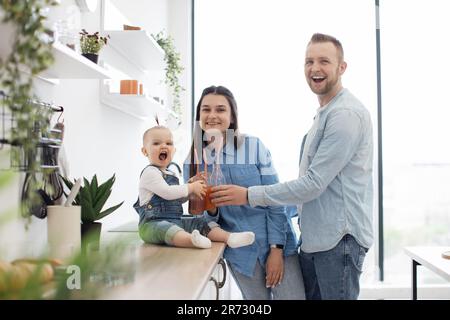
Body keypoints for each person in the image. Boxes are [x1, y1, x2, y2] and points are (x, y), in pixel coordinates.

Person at [210, 33, 374, 300]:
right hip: (314, 241)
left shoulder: (345, 115)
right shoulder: (325, 115)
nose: (315, 68)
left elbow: (312, 184)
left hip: (338, 241)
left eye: (324, 61)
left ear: (342, 67)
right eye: (309, 61)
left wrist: (249, 195)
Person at [184, 85, 305, 300]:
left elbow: (275, 197)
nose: (212, 115)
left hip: (278, 243)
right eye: (206, 109)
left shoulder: (253, 146)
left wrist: (276, 249)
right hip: (241, 254)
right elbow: (203, 220)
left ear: (231, 117)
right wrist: (208, 206)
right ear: (199, 116)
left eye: (220, 109)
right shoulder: (193, 162)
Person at [133, 125, 255, 249]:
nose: (164, 146)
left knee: (201, 222)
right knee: (167, 229)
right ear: (145, 151)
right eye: (156, 143)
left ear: (174, 150)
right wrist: (190, 187)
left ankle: (229, 237)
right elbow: (167, 192)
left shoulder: (170, 174)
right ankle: (192, 241)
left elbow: (176, 199)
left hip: (175, 221)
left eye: (169, 143)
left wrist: (190, 189)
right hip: (152, 225)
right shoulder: (150, 173)